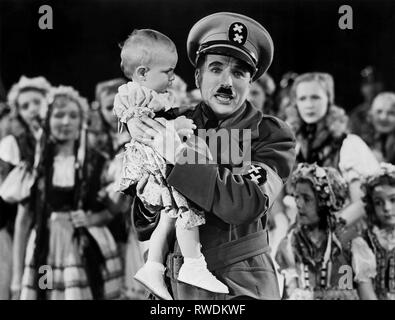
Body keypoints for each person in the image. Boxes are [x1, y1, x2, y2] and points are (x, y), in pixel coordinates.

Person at [127, 12, 296, 300]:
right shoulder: (172, 123)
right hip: (177, 283)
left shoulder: (271, 134)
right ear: (198, 76)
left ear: (250, 82)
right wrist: (149, 197)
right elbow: (144, 224)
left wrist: (179, 158)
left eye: (239, 73)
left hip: (243, 283)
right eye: (216, 69)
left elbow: (245, 203)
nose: (227, 82)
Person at [114, 29, 228, 300]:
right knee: (184, 202)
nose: (173, 77)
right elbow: (144, 131)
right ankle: (193, 262)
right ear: (142, 73)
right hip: (153, 165)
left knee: (170, 212)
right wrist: (172, 127)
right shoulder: (136, 97)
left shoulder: (147, 94)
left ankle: (153, 265)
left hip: (158, 163)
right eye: (167, 71)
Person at [12, 86, 123, 300]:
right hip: (46, 251)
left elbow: (115, 208)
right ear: (46, 120)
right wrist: (17, 277)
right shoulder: (36, 166)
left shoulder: (97, 163)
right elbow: (23, 220)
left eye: (73, 115)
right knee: (47, 292)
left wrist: (92, 218)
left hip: (85, 249)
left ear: (82, 120)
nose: (66, 122)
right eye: (59, 115)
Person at [285, 72, 380, 235]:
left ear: (329, 99)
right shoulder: (293, 145)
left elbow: (363, 201)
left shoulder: (348, 144)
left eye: (315, 97)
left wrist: (327, 230)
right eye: (302, 99)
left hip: (341, 232)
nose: (309, 105)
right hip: (298, 232)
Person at [276, 163, 375, 300]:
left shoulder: (350, 244)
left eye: (307, 198)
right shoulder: (290, 246)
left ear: (324, 203)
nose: (298, 204)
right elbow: (286, 294)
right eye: (296, 197)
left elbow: (368, 296)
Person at [0, 75, 52, 299]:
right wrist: (16, 276)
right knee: (44, 287)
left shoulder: (63, 139)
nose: (32, 110)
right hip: (37, 235)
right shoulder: (16, 146)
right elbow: (23, 216)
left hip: (67, 233)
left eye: (36, 102)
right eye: (24, 106)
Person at [350, 163, 395, 300]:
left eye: (393, 200)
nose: (387, 208)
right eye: (378, 202)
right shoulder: (364, 243)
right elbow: (367, 293)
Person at [359, 93, 395, 165]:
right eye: (379, 112)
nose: (383, 117)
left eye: (391, 113)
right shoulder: (362, 142)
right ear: (370, 115)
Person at [349, 66, 384, 138]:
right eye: (367, 84)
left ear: (382, 85)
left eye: (375, 82)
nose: (372, 87)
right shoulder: (356, 115)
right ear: (362, 88)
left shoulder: (392, 109)